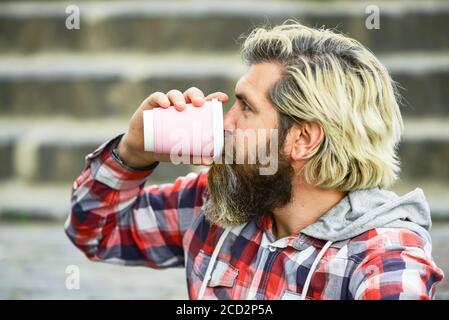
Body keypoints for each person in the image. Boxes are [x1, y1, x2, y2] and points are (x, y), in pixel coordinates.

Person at [65, 20, 444, 299]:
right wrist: (132, 153)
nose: (224, 120)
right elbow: (96, 234)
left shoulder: (384, 256)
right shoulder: (218, 201)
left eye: (245, 106)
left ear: (302, 139)